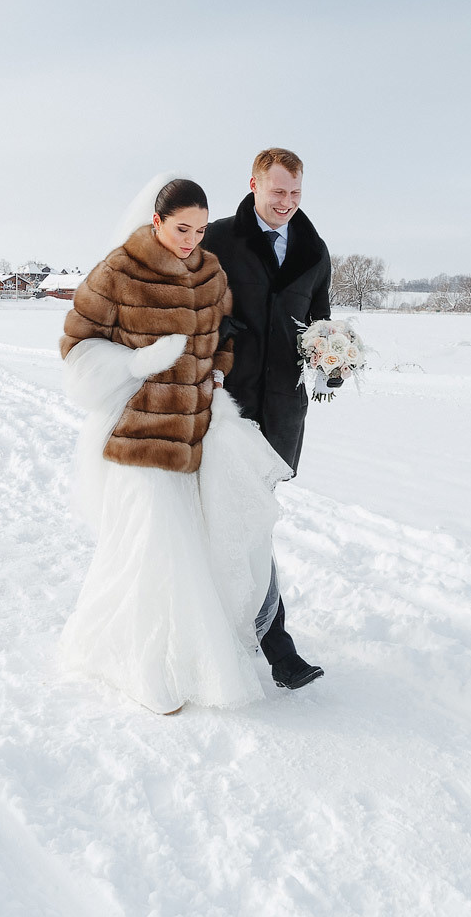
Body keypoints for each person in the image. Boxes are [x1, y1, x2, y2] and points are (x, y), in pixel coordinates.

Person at [59, 176, 291, 714]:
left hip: (195, 436)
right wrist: (137, 364)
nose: (191, 240)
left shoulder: (212, 274)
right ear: (157, 221)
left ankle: (186, 663)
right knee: (151, 549)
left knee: (191, 551)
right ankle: (144, 670)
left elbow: (222, 340)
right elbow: (77, 345)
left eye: (201, 230)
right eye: (181, 227)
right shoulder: (117, 271)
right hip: (138, 433)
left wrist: (215, 375)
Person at [200, 148, 329, 690]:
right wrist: (221, 337)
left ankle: (237, 629)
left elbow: (318, 319)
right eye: (277, 191)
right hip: (227, 406)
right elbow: (193, 306)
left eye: (296, 193)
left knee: (250, 524)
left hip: (283, 412)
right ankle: (276, 645)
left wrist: (331, 361)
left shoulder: (314, 249)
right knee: (241, 523)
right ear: (253, 183)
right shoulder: (220, 239)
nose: (287, 203)